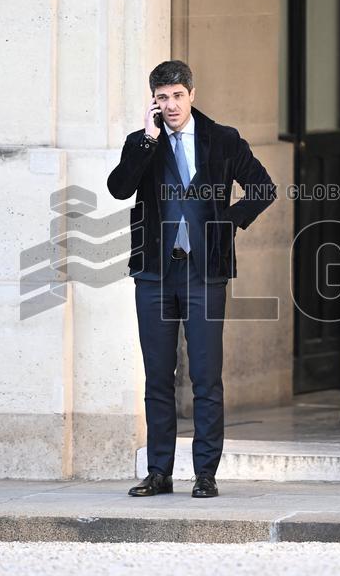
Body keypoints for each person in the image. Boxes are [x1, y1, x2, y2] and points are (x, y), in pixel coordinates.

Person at [107, 60, 275, 497]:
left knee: (205, 375)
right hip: (155, 275)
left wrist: (229, 221)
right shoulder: (143, 142)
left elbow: (263, 186)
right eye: (162, 98)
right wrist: (147, 140)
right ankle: (159, 471)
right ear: (154, 102)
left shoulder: (223, 140)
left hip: (204, 274)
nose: (171, 105)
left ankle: (205, 474)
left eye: (177, 95)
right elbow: (119, 188)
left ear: (192, 94)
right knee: (158, 375)